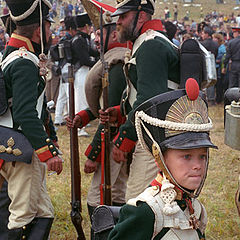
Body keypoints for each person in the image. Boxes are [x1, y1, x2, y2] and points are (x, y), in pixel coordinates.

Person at [108, 78, 217, 239]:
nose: (197, 165)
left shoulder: (195, 207)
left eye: (202, 156)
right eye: (186, 156)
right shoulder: (145, 211)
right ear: (160, 157)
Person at [101, 0, 180, 202]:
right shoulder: (147, 42)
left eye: (123, 16)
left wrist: (124, 140)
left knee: (137, 203)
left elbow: (149, 100)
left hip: (156, 138)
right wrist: (120, 111)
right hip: (158, 134)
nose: (118, 22)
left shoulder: (150, 45)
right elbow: (145, 92)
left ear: (141, 16)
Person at [0, 0, 63, 239]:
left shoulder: (12, 55)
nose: (50, 32)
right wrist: (48, 152)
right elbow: (26, 113)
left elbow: (35, 107)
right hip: (23, 149)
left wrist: (52, 137)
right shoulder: (25, 62)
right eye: (48, 26)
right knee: (23, 216)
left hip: (13, 144)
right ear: (39, 30)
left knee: (43, 211)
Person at [66, 0, 130, 220]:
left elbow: (110, 117)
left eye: (99, 34)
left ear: (113, 35)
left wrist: (93, 155)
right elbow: (104, 105)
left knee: (99, 196)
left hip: (115, 139)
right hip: (119, 137)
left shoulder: (116, 63)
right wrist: (82, 117)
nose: (94, 38)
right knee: (120, 191)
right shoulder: (113, 59)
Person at [72, 12, 99, 136]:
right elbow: (85, 59)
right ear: (86, 26)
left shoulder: (82, 38)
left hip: (83, 70)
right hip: (80, 70)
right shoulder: (79, 40)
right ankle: (79, 128)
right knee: (81, 98)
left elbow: (91, 52)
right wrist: (98, 64)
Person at [52, 16, 77, 126]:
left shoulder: (63, 39)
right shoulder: (67, 40)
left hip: (63, 67)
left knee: (62, 95)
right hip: (67, 67)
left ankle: (58, 117)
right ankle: (73, 116)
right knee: (68, 93)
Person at [201, 26, 218, 105]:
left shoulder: (203, 44)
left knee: (207, 81)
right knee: (212, 81)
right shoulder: (215, 43)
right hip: (213, 63)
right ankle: (211, 98)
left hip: (205, 64)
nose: (202, 35)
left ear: (207, 34)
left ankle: (209, 99)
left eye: (203, 33)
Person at [212, 33, 226, 103]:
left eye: (214, 38)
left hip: (219, 67)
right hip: (216, 66)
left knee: (219, 84)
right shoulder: (216, 46)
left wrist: (219, 60)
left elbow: (224, 57)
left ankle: (219, 99)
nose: (213, 39)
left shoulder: (222, 47)